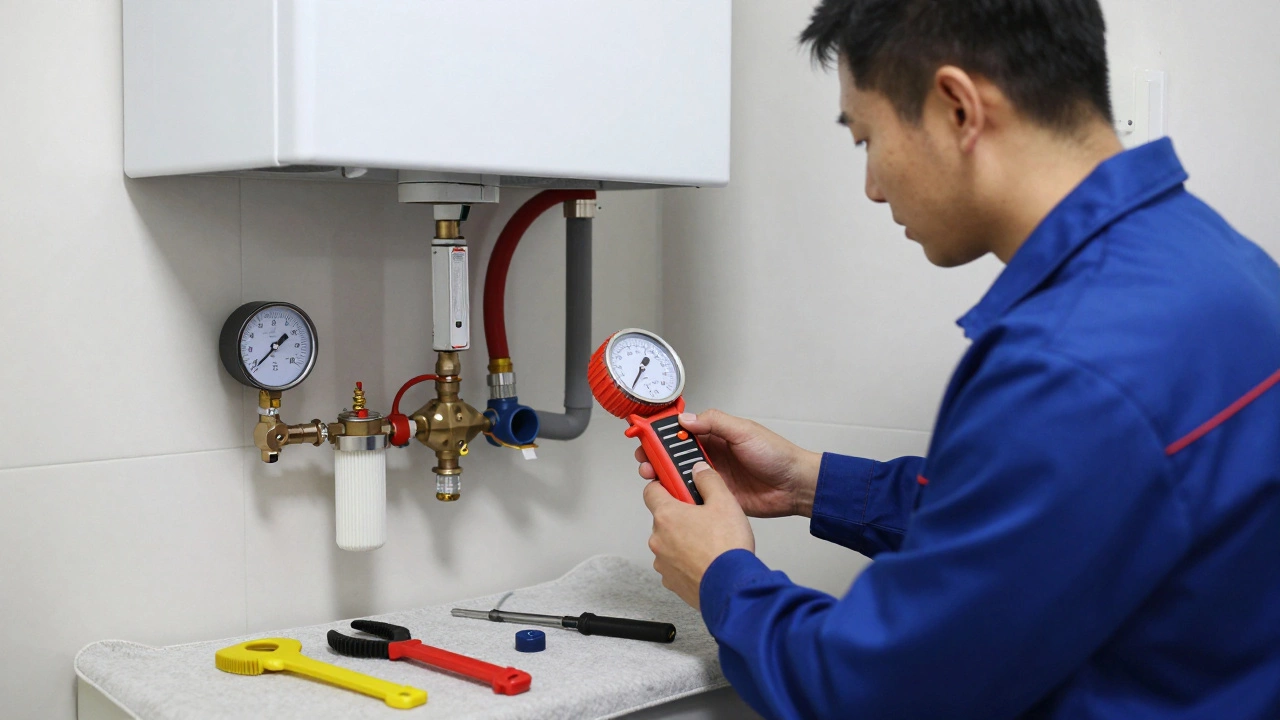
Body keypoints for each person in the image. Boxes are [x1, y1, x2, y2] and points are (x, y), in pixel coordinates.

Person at [634, 1, 1280, 718]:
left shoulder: (1067, 366)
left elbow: (874, 695)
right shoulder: (1221, 263)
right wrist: (812, 484)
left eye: (867, 138)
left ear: (958, 109)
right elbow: (1049, 527)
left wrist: (721, 576)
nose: (873, 186)